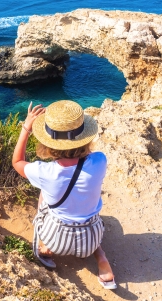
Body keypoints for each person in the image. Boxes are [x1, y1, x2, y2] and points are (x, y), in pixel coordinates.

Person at [12, 100, 117, 290]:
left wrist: (27, 127)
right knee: (88, 208)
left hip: (56, 240)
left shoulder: (44, 172)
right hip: (91, 240)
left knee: (45, 193)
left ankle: (47, 250)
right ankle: (101, 256)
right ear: (85, 138)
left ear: (48, 142)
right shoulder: (100, 161)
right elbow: (87, 155)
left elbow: (17, 161)